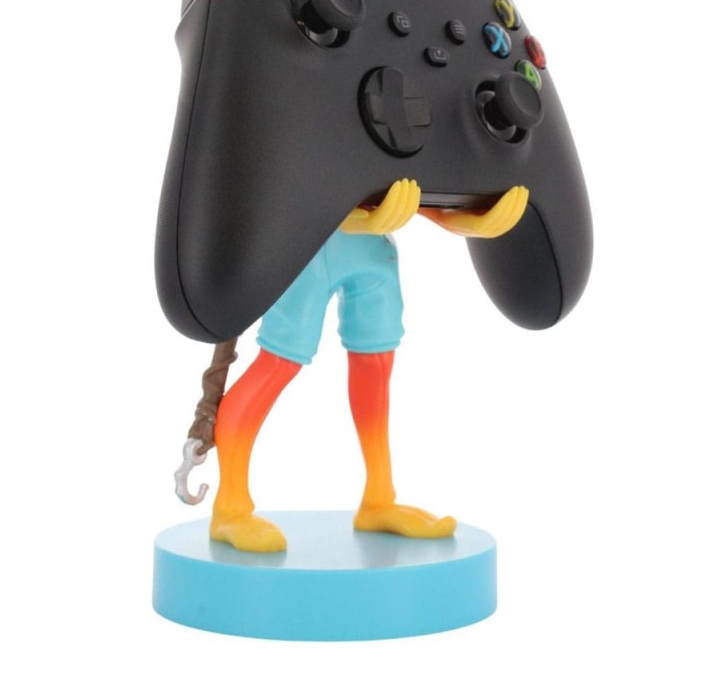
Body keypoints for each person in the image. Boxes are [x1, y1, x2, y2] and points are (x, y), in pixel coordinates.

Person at [210, 178, 529, 552]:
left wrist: (472, 222)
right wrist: (363, 218)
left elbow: (416, 193)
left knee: (376, 363)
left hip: (374, 251)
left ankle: (379, 498)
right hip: (309, 250)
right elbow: (294, 186)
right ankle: (230, 507)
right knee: (279, 364)